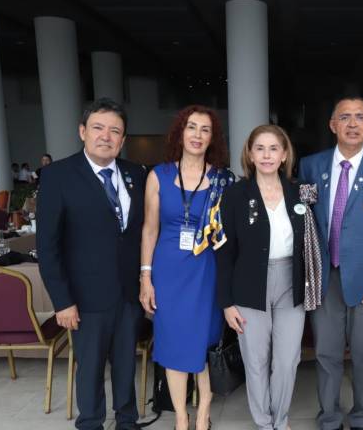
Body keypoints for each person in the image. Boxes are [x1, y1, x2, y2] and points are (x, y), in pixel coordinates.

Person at [37, 98, 146, 430]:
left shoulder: (136, 174)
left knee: (127, 365)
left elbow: (142, 233)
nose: (106, 136)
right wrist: (62, 301)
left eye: (115, 131)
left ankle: (127, 421)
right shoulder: (58, 175)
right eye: (98, 128)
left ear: (123, 139)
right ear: (83, 131)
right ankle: (90, 423)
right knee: (91, 368)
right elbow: (48, 246)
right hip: (84, 298)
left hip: (128, 294)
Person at [298, 97, 363, 430]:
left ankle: (362, 416)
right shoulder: (310, 166)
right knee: (326, 355)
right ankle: (329, 417)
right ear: (333, 125)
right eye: (344, 117)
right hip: (323, 278)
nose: (353, 123)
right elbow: (304, 221)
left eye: (361, 117)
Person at [139, 105, 234, 430]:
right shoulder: (158, 175)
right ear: (180, 132)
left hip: (206, 270)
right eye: (191, 127)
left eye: (205, 129)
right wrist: (146, 276)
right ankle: (182, 415)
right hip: (168, 271)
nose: (197, 135)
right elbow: (150, 229)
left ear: (213, 138)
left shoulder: (223, 179)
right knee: (172, 339)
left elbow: (230, 234)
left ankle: (204, 403)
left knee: (201, 339)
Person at [217, 125, 306, 430]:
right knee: (255, 361)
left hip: (291, 282)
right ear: (250, 154)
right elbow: (224, 252)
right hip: (248, 284)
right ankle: (264, 423)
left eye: (273, 149)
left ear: (284, 155)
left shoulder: (300, 191)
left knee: (287, 360)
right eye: (260, 148)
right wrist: (226, 303)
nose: (267, 155)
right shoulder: (235, 194)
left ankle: (280, 420)